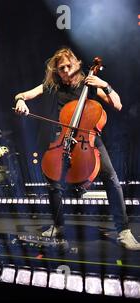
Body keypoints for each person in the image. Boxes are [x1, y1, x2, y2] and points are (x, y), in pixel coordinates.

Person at [14, 47, 139, 250]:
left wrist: (105, 85)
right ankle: (58, 226)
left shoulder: (89, 85)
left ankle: (123, 231)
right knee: (53, 181)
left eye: (67, 66)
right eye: (60, 68)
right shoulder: (52, 86)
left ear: (76, 64)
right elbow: (23, 95)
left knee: (112, 179)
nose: (64, 71)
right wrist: (20, 102)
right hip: (62, 138)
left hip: (88, 140)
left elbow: (117, 105)